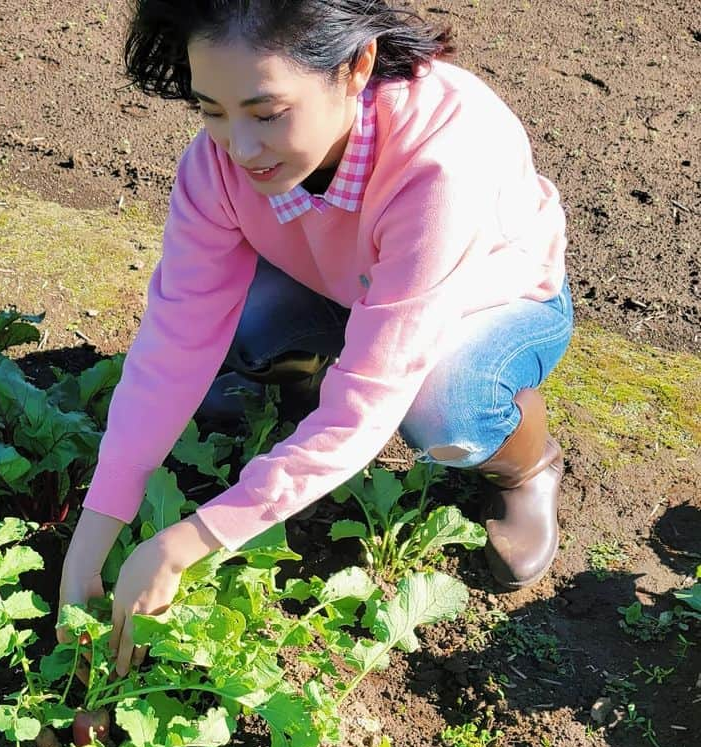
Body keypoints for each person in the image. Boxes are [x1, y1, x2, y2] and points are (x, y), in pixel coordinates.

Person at [58, 0, 572, 675]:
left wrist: (191, 540)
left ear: (356, 66)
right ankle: (306, 396)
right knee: (238, 332)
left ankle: (527, 464)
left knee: (436, 403)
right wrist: (94, 533)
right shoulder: (219, 165)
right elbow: (174, 341)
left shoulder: (443, 157)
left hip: (485, 302)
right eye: (212, 111)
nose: (240, 148)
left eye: (267, 114)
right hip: (335, 281)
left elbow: (368, 405)